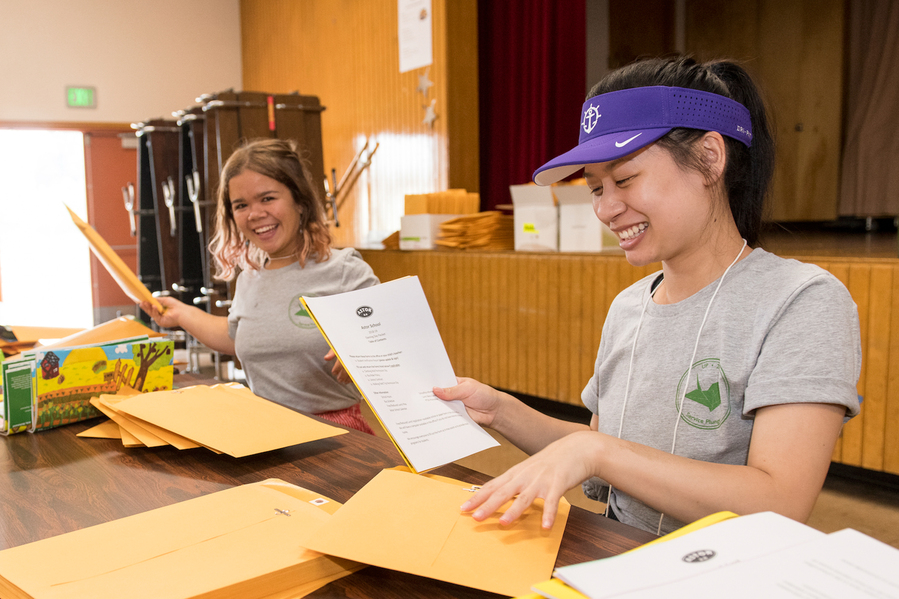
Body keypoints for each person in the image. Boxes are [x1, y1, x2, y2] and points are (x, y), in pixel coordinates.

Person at [434, 56, 861, 535]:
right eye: (595, 187)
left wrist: (598, 452)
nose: (606, 208)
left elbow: (779, 501)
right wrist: (499, 410)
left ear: (710, 158)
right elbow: (602, 447)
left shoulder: (803, 301)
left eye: (624, 179)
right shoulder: (629, 306)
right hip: (617, 554)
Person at [141, 138, 379, 434]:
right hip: (266, 431)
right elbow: (238, 336)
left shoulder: (344, 270)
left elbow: (390, 333)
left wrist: (360, 346)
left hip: (336, 434)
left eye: (267, 198)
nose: (254, 214)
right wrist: (182, 315)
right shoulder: (249, 277)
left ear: (299, 199)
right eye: (241, 205)